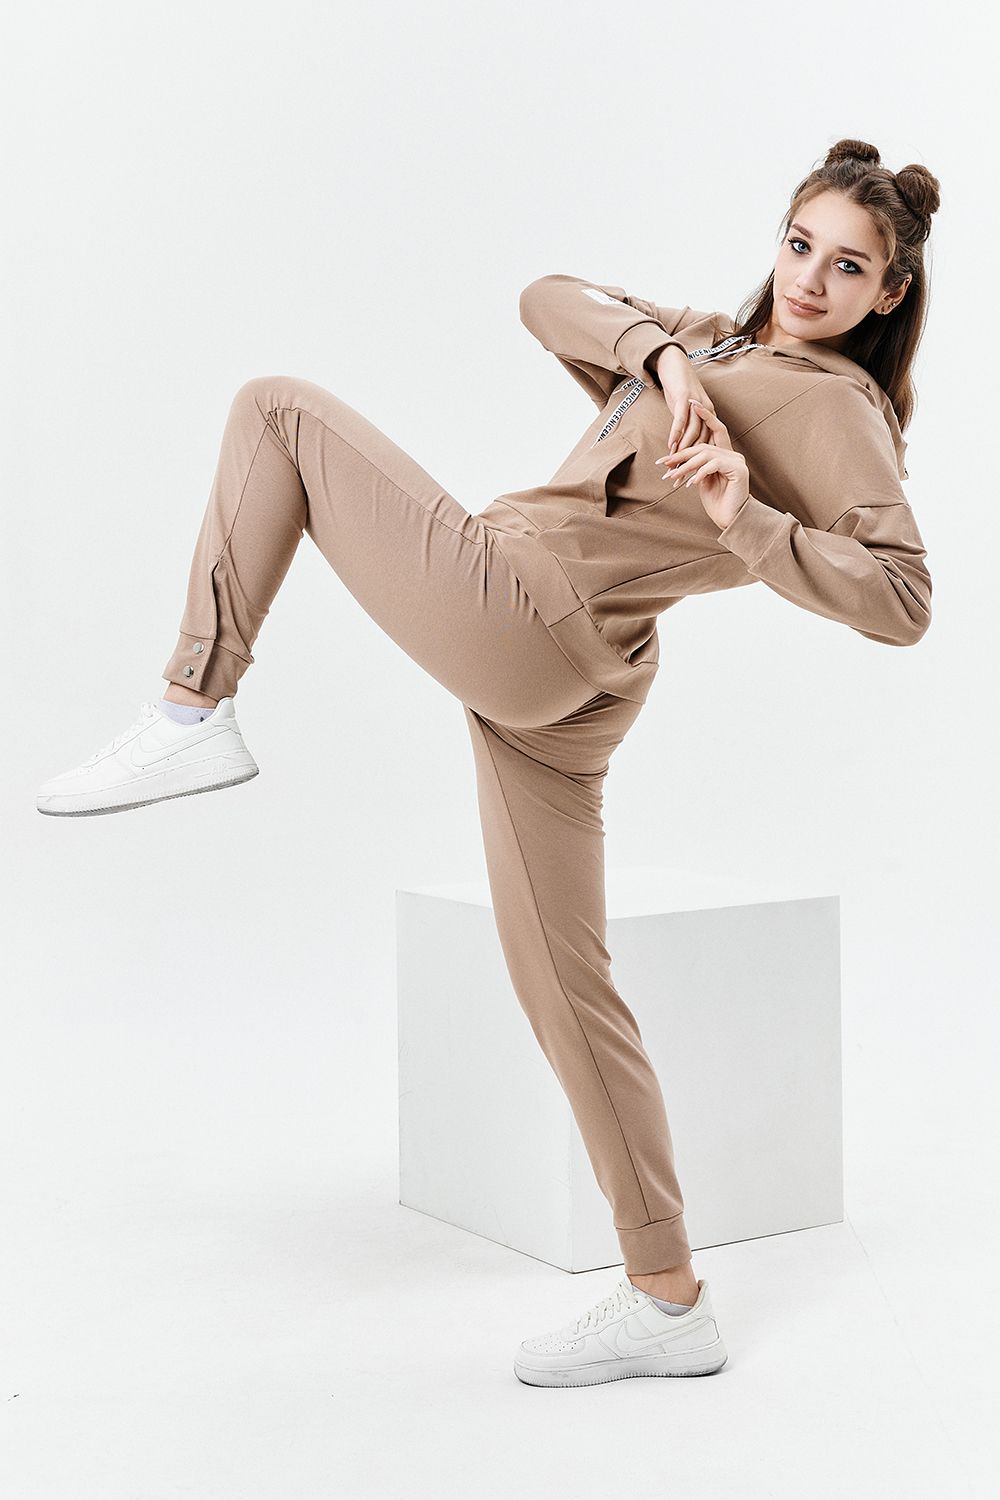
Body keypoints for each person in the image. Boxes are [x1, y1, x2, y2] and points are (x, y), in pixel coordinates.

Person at [35, 137, 938, 1388]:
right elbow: (546, 297)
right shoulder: (716, 346)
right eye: (800, 246)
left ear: (887, 292)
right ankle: (667, 1298)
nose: (811, 281)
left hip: (523, 610)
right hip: (576, 679)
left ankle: (194, 704)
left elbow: (902, 599)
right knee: (565, 988)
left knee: (276, 409)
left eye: (847, 268)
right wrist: (666, 358)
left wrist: (750, 517)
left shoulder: (834, 408)